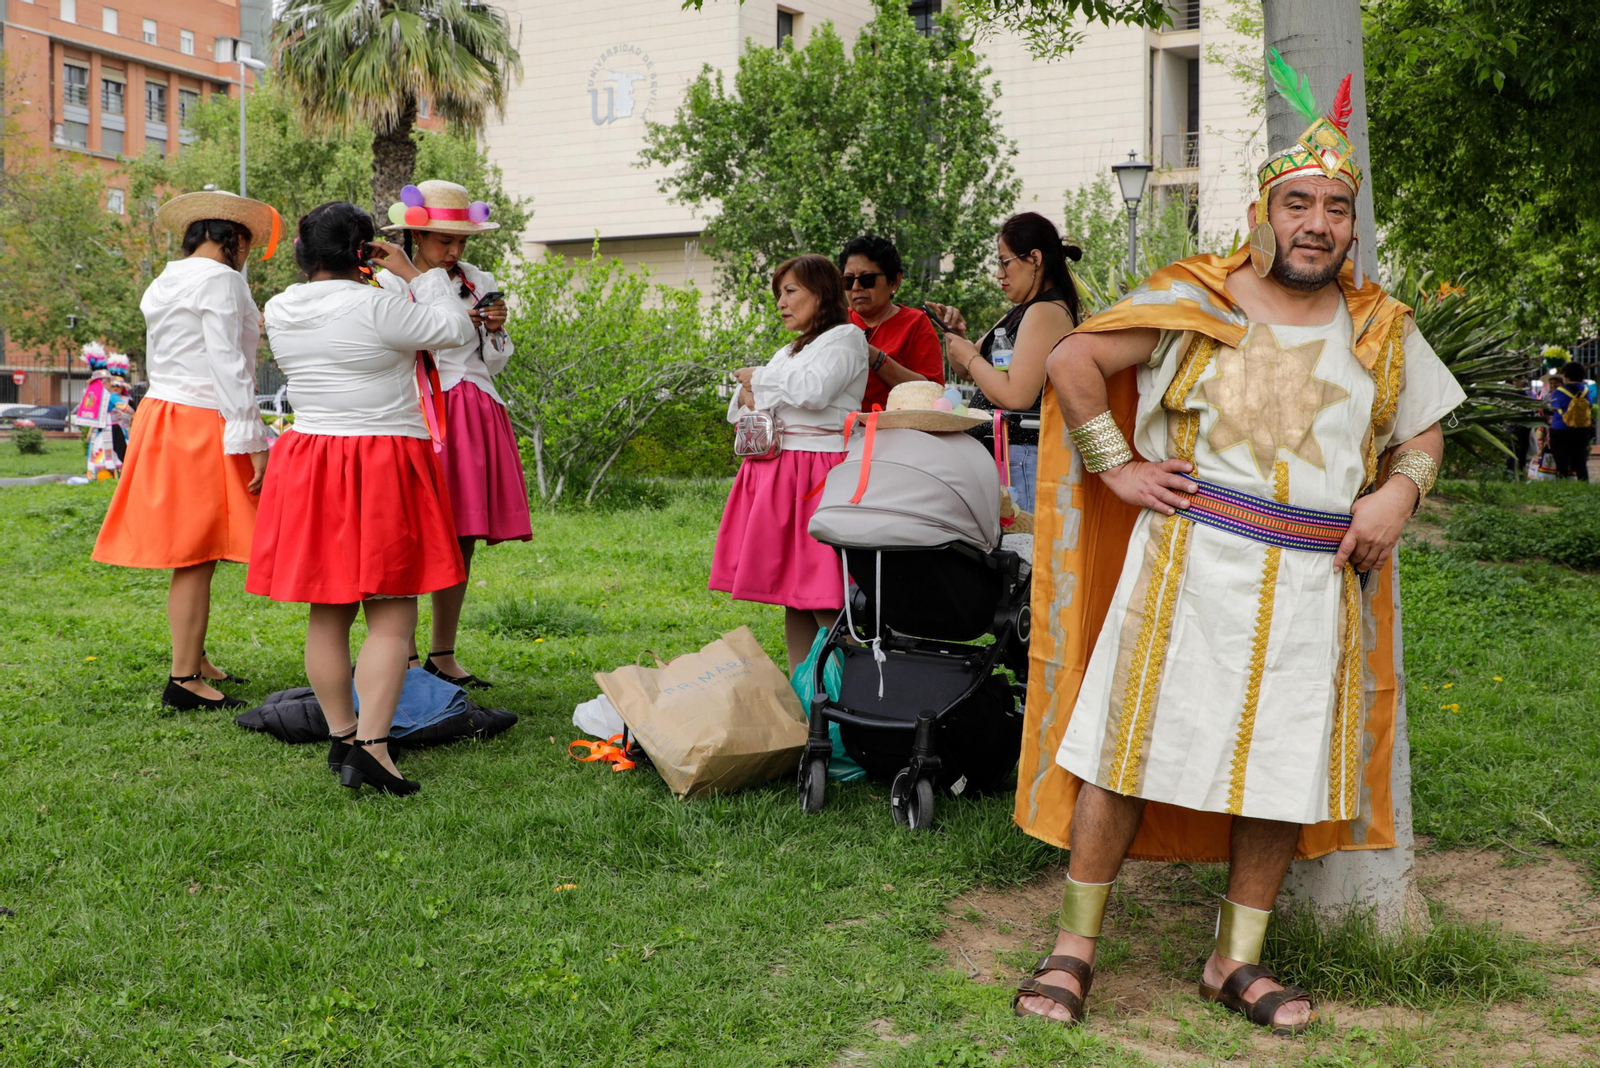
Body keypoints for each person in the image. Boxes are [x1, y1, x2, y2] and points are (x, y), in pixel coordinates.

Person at [1010, 57, 1465, 1036]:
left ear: (1350, 224)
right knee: (1122, 757)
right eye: (1298, 203)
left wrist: (1397, 491)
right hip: (1186, 567)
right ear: (1264, 212)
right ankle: (1072, 950)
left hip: (1312, 581)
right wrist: (1116, 467)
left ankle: (1235, 959)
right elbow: (1072, 359)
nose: (1317, 223)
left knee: (1279, 767)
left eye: (1335, 209)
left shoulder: (1380, 325)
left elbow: (1423, 430)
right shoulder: (1198, 297)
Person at [247, 202, 476, 796]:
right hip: (379, 458)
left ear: (303, 252)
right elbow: (455, 330)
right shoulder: (383, 305)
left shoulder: (279, 306)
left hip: (312, 456)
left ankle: (344, 735)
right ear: (364, 252)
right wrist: (415, 273)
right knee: (392, 613)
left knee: (328, 610)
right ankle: (373, 750)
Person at [92, 190, 282, 710]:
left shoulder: (165, 278)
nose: (246, 255)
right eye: (246, 244)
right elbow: (228, 363)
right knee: (199, 553)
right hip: (203, 417)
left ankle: (193, 658)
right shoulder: (223, 280)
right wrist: (254, 437)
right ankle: (183, 680)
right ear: (232, 241)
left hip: (164, 411)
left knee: (201, 548)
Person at [375, 179, 531, 688]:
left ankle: (443, 650)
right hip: (419, 410)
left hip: (475, 407)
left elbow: (498, 362)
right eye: (445, 240)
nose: (455, 250)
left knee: (461, 532)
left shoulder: (476, 277)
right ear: (416, 238)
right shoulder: (389, 282)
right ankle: (406, 652)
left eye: (461, 241)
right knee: (415, 529)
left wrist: (494, 330)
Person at [710, 255, 868, 672]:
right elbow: (747, 407)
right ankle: (809, 701)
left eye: (791, 290)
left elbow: (814, 392)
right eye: (779, 292)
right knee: (793, 595)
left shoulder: (847, 337)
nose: (781, 301)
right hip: (781, 472)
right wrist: (756, 389)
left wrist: (759, 381)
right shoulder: (791, 349)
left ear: (822, 293)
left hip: (816, 474)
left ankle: (852, 702)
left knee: (824, 596)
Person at [926, 212, 1082, 512]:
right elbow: (970, 372)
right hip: (1007, 457)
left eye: (1004, 261)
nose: (999, 274)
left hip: (1019, 459)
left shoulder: (1045, 312)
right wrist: (958, 335)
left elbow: (1016, 396)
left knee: (1018, 552)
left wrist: (969, 355)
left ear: (1034, 259)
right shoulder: (1025, 310)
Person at [837, 235, 945, 412]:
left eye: (867, 279)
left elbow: (932, 394)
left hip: (896, 434)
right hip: (840, 433)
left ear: (894, 281)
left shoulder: (915, 323)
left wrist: (877, 359)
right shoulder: (836, 323)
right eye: (848, 280)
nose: (856, 287)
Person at [1547, 361, 1593, 481]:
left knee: (1561, 460)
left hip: (1560, 428)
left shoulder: (1560, 391)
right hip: (1582, 429)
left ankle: (1562, 484)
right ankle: (1584, 483)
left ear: (1566, 375)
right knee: (1580, 460)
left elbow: (1552, 406)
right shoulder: (1586, 391)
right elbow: (1590, 406)